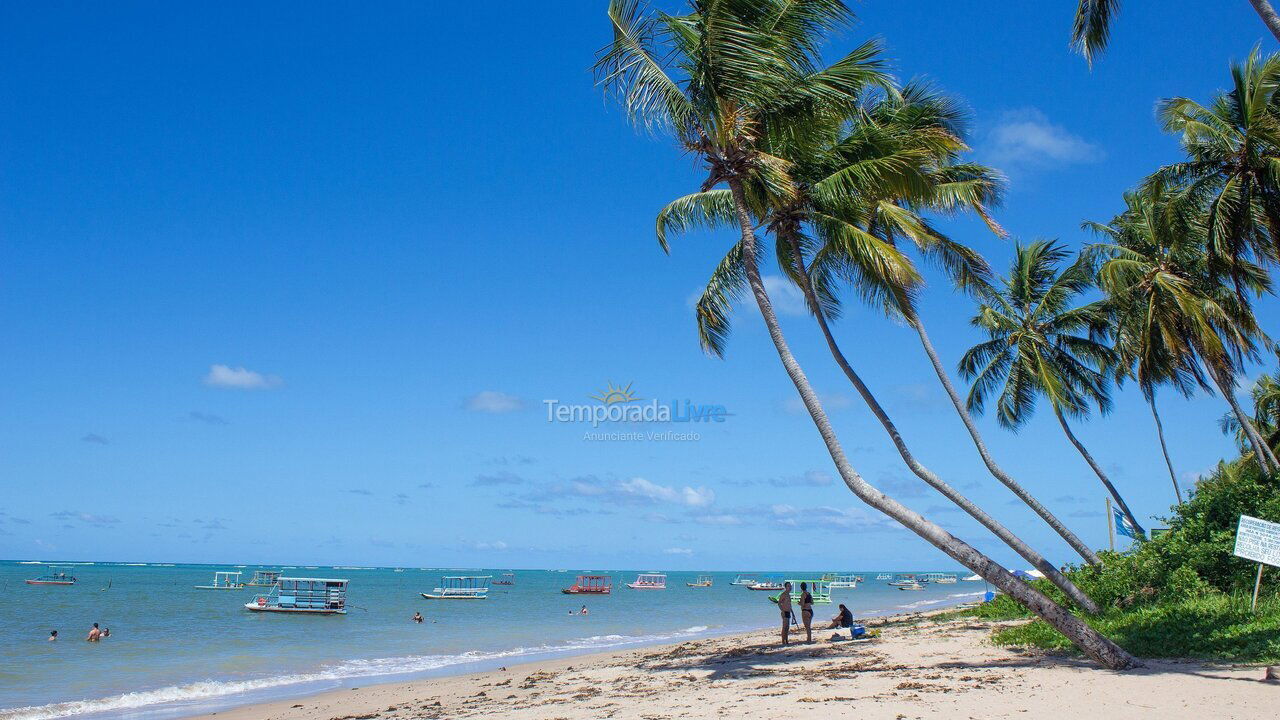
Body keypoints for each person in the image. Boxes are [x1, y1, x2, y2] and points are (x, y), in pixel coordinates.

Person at [776, 581, 793, 646]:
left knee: (787, 627)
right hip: (784, 612)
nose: (790, 587)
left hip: (788, 612)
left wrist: (792, 613)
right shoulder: (783, 594)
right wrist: (782, 610)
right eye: (788, 586)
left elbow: (789, 605)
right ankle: (783, 641)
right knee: (784, 627)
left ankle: (786, 640)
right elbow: (779, 603)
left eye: (790, 586)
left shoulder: (789, 595)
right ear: (785, 587)